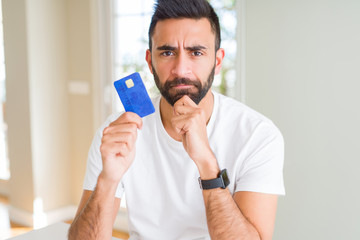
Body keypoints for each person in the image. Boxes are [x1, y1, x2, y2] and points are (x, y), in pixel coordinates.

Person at [68, 0, 285, 239]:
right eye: (168, 52)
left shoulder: (258, 136)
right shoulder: (116, 134)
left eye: (197, 52)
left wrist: (206, 163)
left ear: (218, 61)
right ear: (150, 62)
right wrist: (108, 180)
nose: (181, 69)